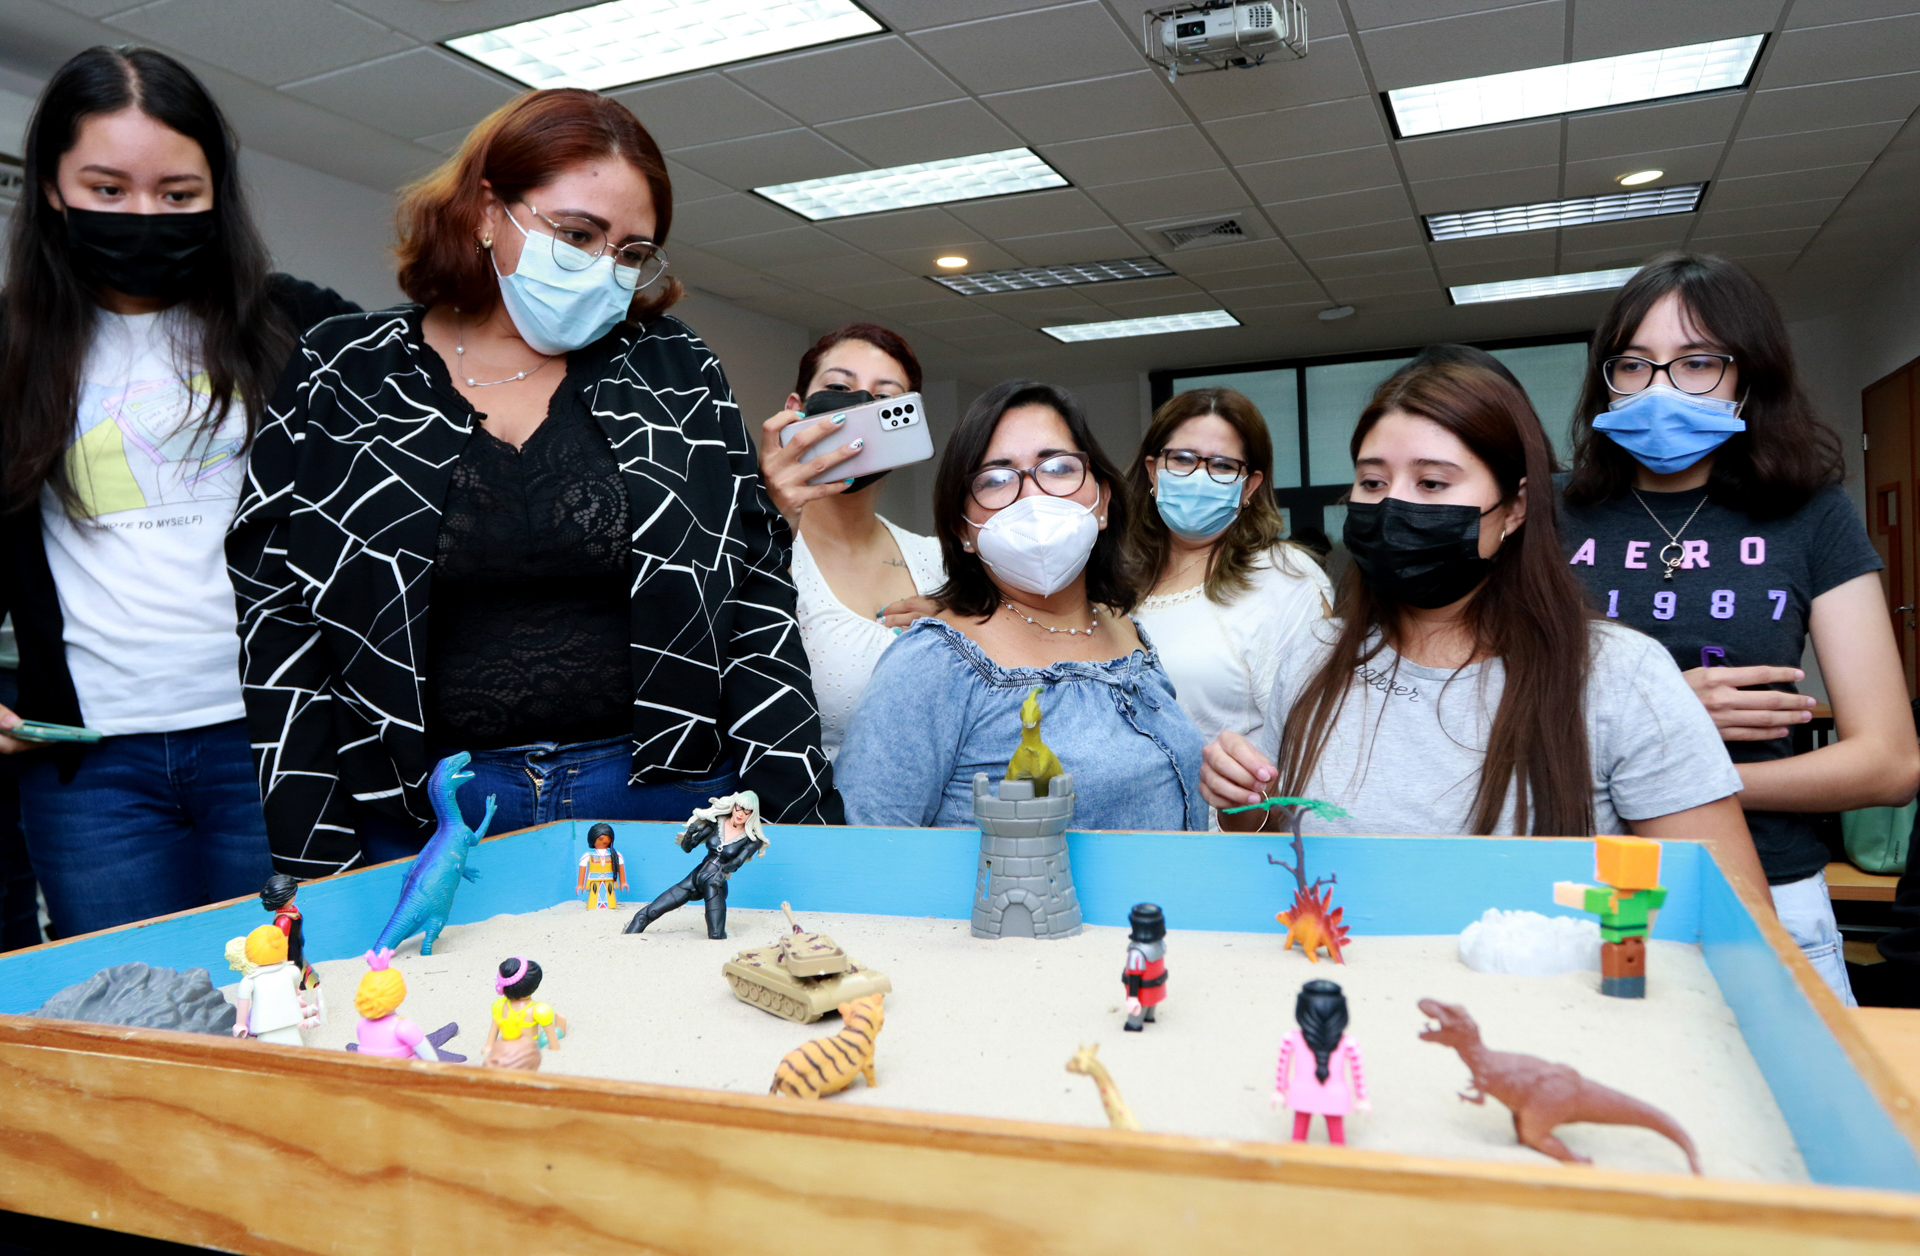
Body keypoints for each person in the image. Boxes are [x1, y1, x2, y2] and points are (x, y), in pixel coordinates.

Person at [229, 89, 840, 877]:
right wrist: (313, 854)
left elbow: (753, 599)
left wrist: (802, 818)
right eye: (577, 235)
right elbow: (278, 618)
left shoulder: (674, 369)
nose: (604, 270)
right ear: (489, 212)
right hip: (423, 811)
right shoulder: (344, 369)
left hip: (663, 797)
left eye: (631, 253)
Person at [0, 47, 357, 937]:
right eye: (107, 189)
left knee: (300, 991)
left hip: (276, 735)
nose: (143, 217)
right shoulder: (9, 347)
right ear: (51, 188)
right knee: (131, 1000)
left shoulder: (302, 325)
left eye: (176, 193)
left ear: (215, 194)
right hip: (90, 765)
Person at [1201, 358, 1768, 901]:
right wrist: (1241, 805)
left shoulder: (1620, 674)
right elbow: (1269, 850)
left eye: (1432, 483)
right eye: (1372, 482)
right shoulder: (1315, 656)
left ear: (1515, 509)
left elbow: (1730, 910)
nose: (1394, 505)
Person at [1559, 252, 1920, 1003]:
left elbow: (1888, 763)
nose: (1659, 389)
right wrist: (1667, 710)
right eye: (1633, 365)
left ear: (1748, 378)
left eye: (1697, 363)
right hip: (1578, 880)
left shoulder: (1812, 515)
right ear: (1605, 380)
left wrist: (1679, 785)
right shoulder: (1550, 515)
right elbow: (1484, 705)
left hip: (1767, 884)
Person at [838, 380, 1207, 831]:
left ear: (1103, 500)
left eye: (1058, 467)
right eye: (995, 479)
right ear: (962, 529)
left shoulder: (1125, 629)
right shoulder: (931, 665)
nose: (1033, 497)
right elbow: (868, 846)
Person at [756, 325, 944, 760]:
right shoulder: (753, 550)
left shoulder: (939, 562)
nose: (859, 405)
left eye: (883, 398)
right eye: (839, 388)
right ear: (795, 409)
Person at [1128, 387, 1330, 749]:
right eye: (1182, 459)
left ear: (1249, 486)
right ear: (1153, 471)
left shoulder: (1283, 576)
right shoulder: (1114, 577)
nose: (1198, 477)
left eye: (1222, 465)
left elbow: (1314, 738)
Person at [622, 791, 766, 939]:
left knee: (716, 934)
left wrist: (722, 872)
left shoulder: (753, 839)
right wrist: (689, 834)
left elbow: (736, 863)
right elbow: (688, 848)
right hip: (696, 876)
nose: (741, 814)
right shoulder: (717, 823)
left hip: (715, 882)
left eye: (747, 811)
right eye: (738, 808)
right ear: (733, 806)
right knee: (647, 914)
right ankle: (627, 937)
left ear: (752, 814)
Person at [483, 957, 565, 1071]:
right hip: (530, 1047)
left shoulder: (499, 1005)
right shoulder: (539, 1009)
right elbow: (553, 1044)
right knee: (554, 1032)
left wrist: (489, 1047)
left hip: (507, 1045)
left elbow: (492, 1034)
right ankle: (561, 1026)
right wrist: (555, 1048)